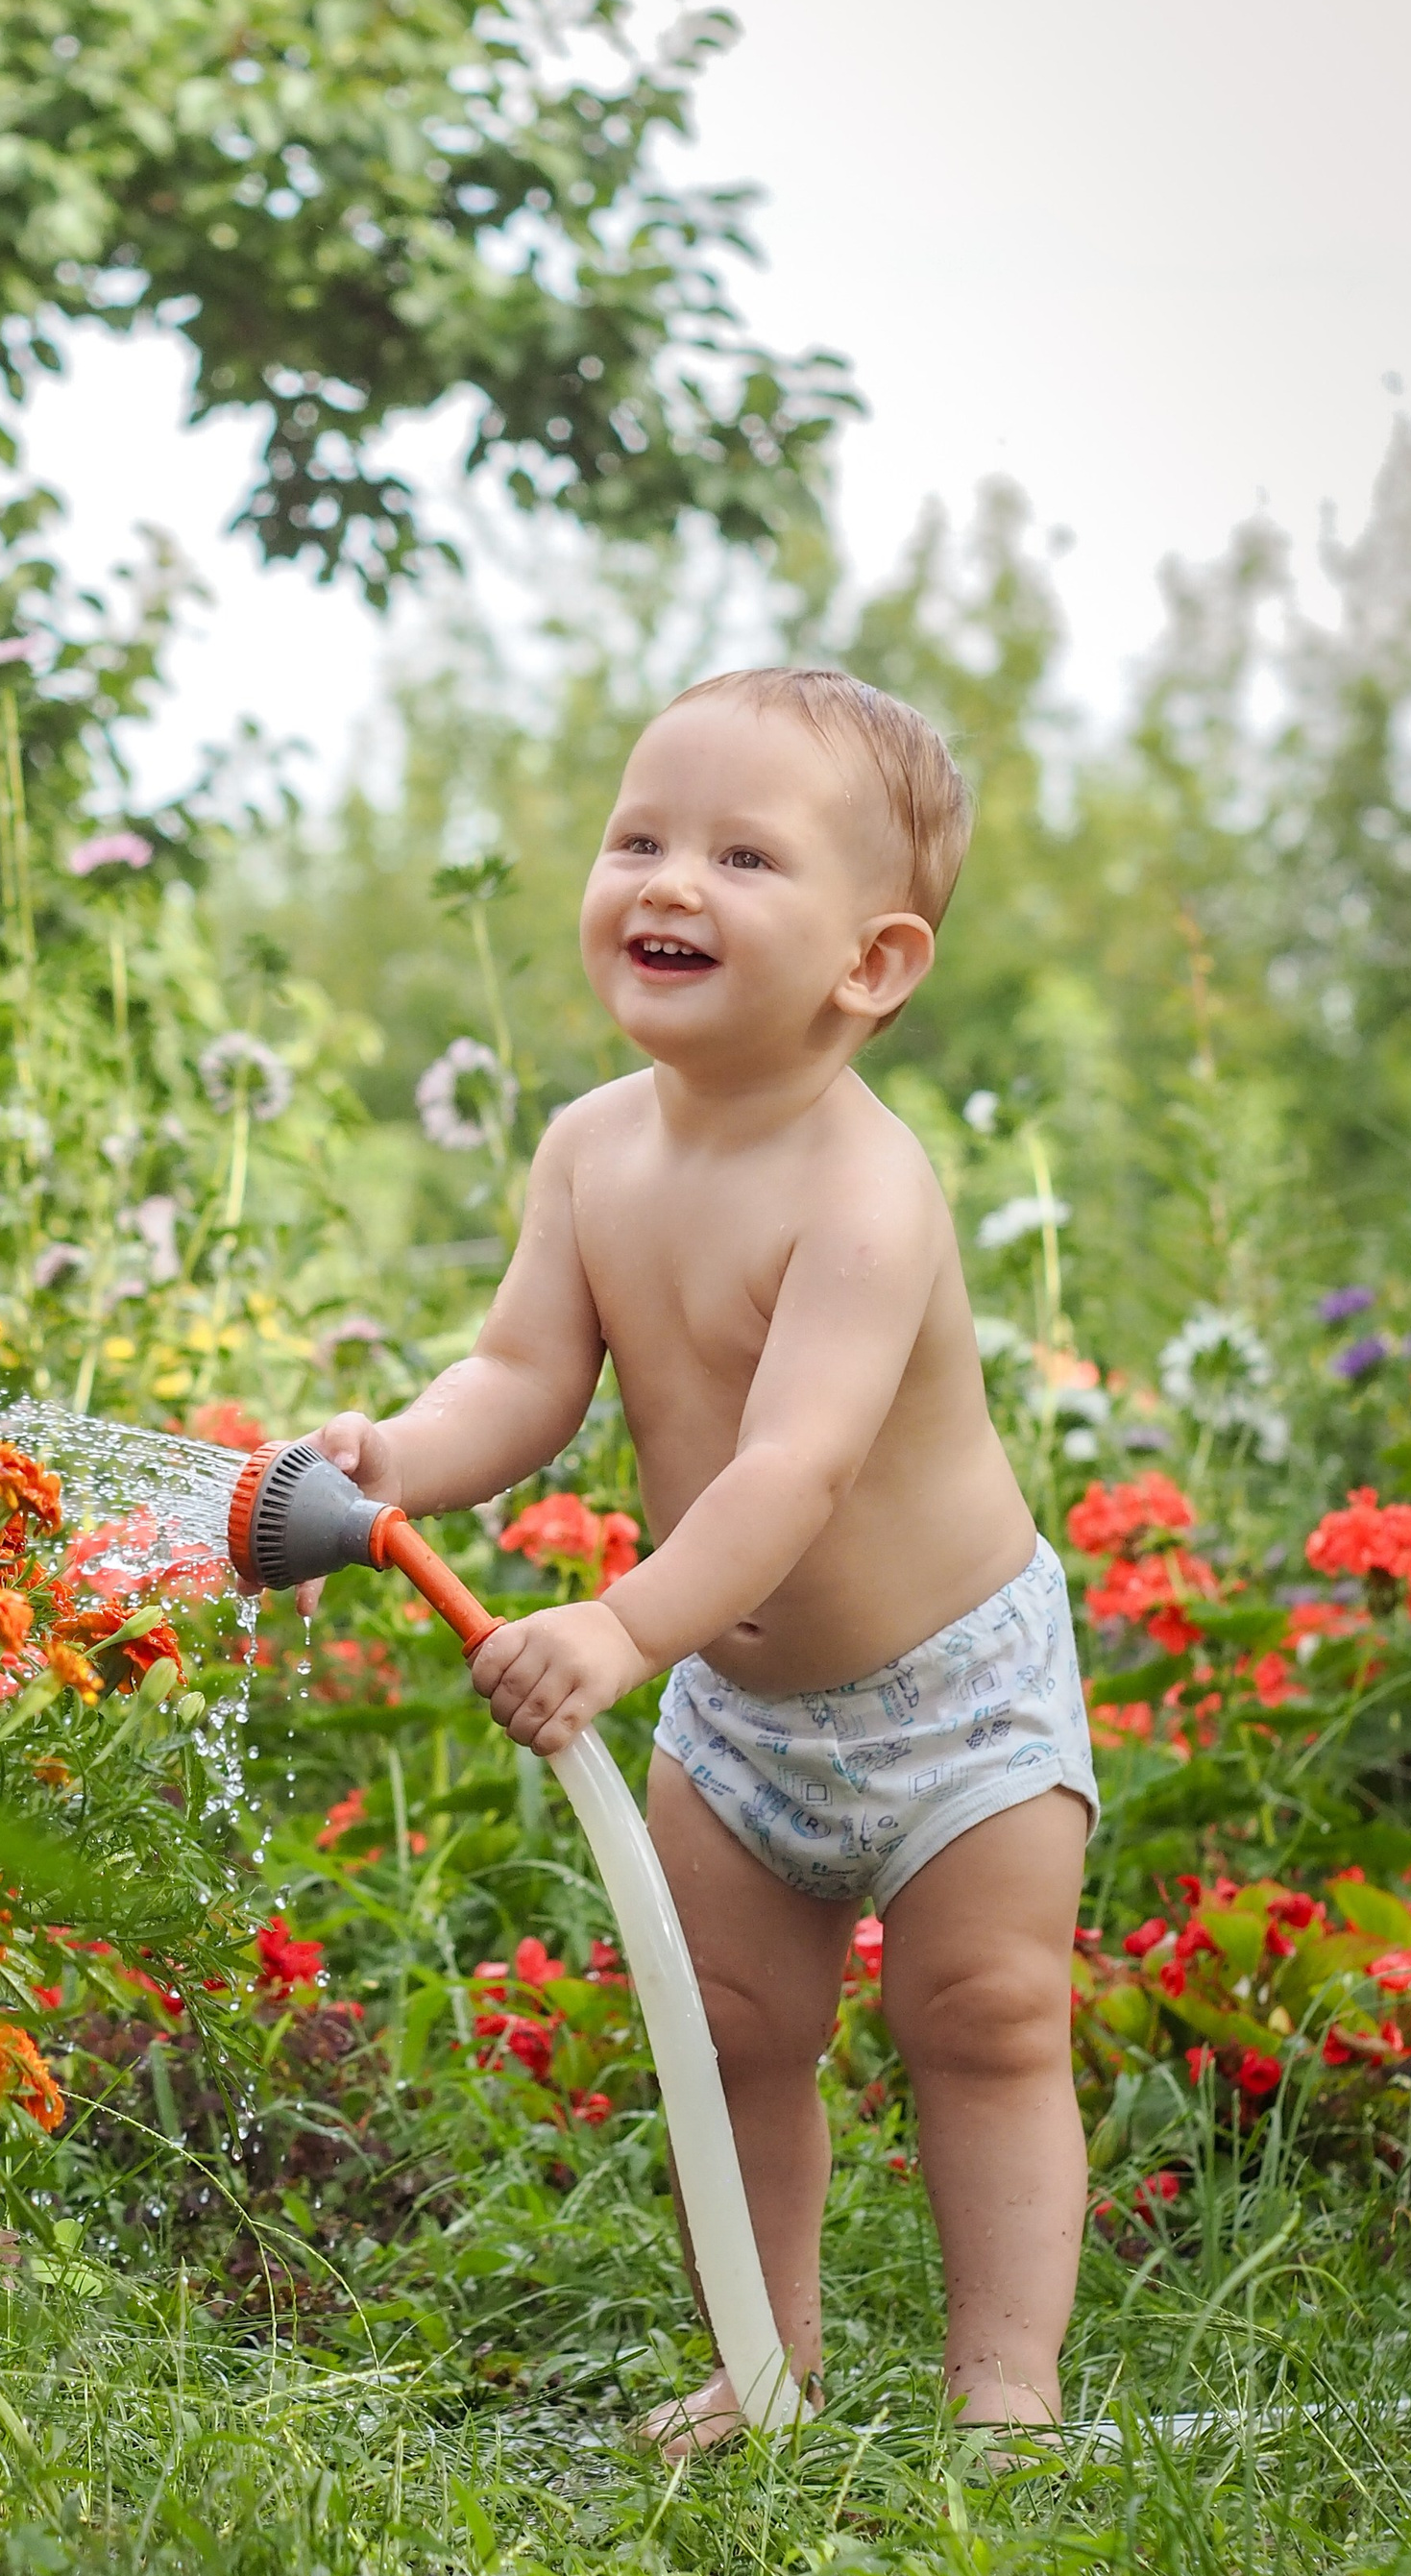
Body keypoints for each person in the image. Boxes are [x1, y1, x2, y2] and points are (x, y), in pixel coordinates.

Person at [309, 668, 1095, 2450]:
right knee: (731, 2026)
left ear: (870, 963)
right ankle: (767, 2356)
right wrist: (397, 1460)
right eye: (638, 838)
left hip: (952, 1688)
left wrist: (620, 1621)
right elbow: (521, 1374)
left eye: (744, 855)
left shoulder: (865, 1189)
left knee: (984, 2012)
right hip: (744, 1710)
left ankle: (1007, 2381)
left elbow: (793, 1467)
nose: (667, 881)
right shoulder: (591, 1151)